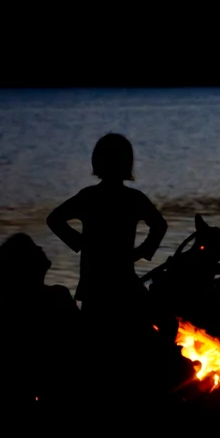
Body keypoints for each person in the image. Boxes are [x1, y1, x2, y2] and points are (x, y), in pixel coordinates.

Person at [47, 133, 167, 340]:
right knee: (159, 326)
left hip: (95, 284)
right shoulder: (132, 198)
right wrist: (140, 253)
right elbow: (159, 225)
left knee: (96, 339)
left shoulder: (89, 197)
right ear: (127, 164)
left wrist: (81, 244)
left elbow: (55, 219)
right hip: (122, 282)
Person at [0, 233, 82, 403]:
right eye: (35, 248)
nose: (41, 248)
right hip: (56, 385)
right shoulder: (57, 296)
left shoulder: (7, 306)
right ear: (25, 265)